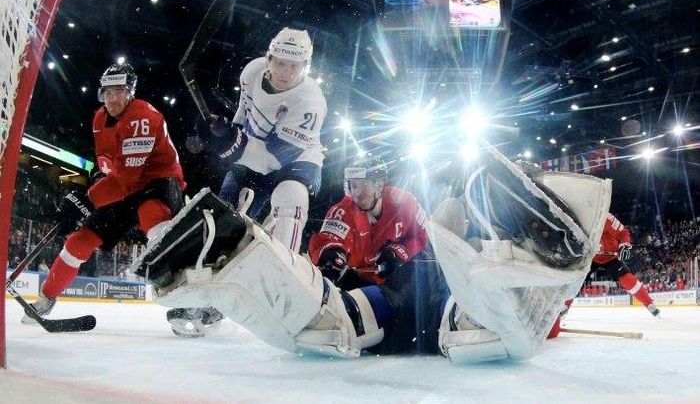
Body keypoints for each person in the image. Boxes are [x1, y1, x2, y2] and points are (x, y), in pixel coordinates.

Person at [134, 144, 611, 363]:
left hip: (424, 289)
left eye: (363, 181)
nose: (356, 188)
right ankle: (230, 255)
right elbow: (329, 240)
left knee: (480, 330)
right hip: (400, 297)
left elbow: (425, 240)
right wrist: (331, 257)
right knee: (337, 325)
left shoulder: (404, 201)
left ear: (379, 181)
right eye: (353, 181)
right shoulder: (345, 207)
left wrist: (402, 251)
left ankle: (540, 251)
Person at [166, 27, 326, 336]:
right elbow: (245, 115)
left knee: (289, 198)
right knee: (223, 218)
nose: (286, 72)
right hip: (253, 154)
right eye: (280, 62)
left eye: (295, 66)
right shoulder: (252, 72)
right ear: (269, 58)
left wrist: (232, 144)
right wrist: (220, 133)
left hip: (296, 160)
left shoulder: (310, 101)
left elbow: (272, 159)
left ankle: (284, 287)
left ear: (306, 67)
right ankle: (206, 300)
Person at [23, 63, 186, 323]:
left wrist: (86, 200)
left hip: (157, 181)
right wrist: (92, 187)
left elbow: (125, 180)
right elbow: (108, 166)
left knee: (153, 218)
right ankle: (46, 298)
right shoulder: (99, 118)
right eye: (108, 91)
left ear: (130, 92)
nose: (112, 98)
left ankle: (188, 296)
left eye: (119, 91)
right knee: (79, 241)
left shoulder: (142, 117)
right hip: (124, 185)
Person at [308, 157, 430, 290]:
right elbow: (329, 239)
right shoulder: (343, 210)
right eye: (353, 185)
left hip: (400, 280)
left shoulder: (405, 203)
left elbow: (422, 236)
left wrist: (399, 252)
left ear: (379, 186)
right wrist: (333, 254)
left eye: (363, 185)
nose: (357, 193)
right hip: (358, 280)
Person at [548, 212, 659, 338]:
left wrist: (624, 245)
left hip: (609, 257)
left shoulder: (604, 216)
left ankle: (649, 303)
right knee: (575, 280)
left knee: (626, 278)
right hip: (589, 258)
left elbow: (623, 232)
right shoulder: (575, 215)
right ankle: (563, 308)